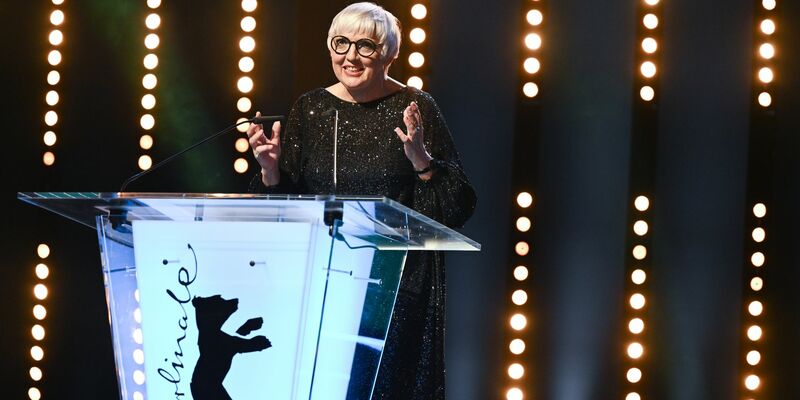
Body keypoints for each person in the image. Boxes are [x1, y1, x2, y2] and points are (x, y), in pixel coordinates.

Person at [247, 2, 476, 398]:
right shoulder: (312, 108)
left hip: (398, 291)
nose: (350, 56)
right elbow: (283, 207)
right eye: (341, 43)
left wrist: (422, 160)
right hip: (323, 283)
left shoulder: (415, 108)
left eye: (365, 46)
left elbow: (459, 206)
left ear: (389, 53)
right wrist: (270, 171)